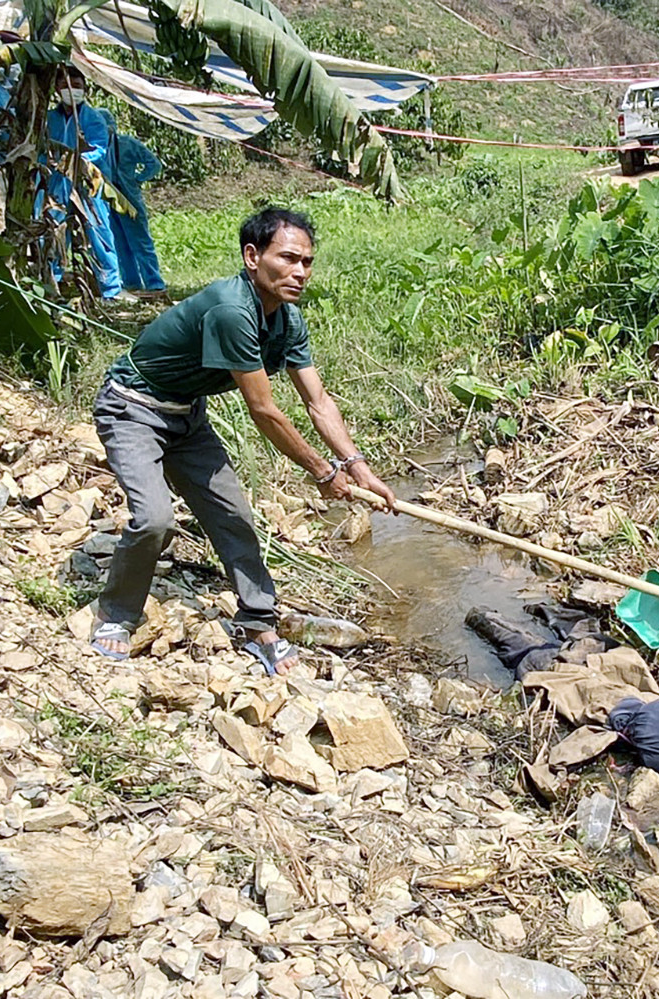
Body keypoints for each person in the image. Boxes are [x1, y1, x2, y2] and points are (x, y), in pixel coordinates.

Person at [89, 207, 396, 673]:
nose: (299, 272)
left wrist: (358, 467)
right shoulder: (232, 311)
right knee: (154, 519)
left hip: (186, 417)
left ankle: (257, 623)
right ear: (252, 257)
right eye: (288, 258)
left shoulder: (287, 320)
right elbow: (265, 411)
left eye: (307, 262)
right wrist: (321, 471)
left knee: (234, 516)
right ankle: (116, 614)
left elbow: (318, 401)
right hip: (132, 408)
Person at [41, 67, 125, 300]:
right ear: (57, 89)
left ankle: (111, 289)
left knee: (98, 232)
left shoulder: (92, 118)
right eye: (66, 86)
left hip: (86, 183)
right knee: (55, 231)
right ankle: (52, 281)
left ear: (84, 89)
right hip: (57, 184)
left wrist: (76, 159)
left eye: (77, 86)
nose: (71, 91)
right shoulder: (51, 118)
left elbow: (98, 149)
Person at [104, 112, 166, 297]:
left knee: (141, 243)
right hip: (109, 199)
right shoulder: (97, 147)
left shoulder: (127, 143)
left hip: (130, 199)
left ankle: (154, 283)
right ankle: (131, 282)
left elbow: (154, 164)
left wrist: (137, 180)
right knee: (120, 243)